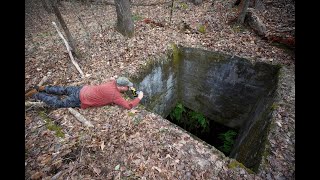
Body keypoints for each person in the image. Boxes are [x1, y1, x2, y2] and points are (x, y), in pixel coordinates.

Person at [25, 77, 144, 110]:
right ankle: (37, 95)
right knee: (59, 103)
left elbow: (129, 87)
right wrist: (138, 98)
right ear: (121, 86)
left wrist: (133, 91)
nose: (129, 88)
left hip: (83, 89)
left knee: (64, 90)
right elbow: (128, 106)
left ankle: (43, 88)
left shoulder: (113, 82)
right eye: (127, 87)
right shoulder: (115, 95)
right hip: (81, 99)